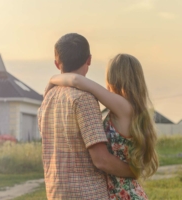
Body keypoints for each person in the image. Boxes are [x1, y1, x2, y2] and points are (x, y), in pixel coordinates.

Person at [46, 53, 159, 199]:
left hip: (121, 195)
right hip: (127, 193)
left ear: (114, 78)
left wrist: (52, 79)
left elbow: (76, 80)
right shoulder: (130, 109)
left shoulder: (123, 107)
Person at [38, 33, 135, 200]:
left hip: (55, 192)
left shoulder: (47, 98)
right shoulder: (84, 99)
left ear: (57, 64)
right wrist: (134, 171)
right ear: (89, 60)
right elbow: (101, 160)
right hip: (87, 193)